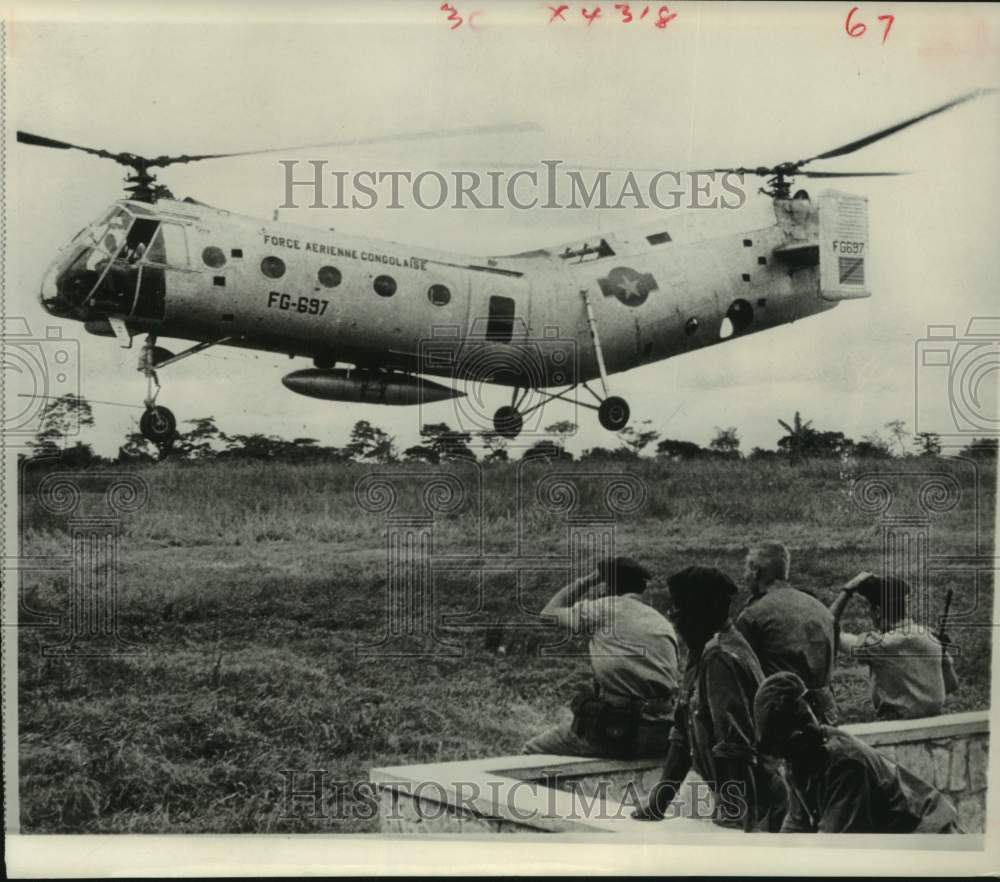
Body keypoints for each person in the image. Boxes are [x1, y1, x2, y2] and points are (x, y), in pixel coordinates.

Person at [633, 566, 786, 831]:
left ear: (697, 614)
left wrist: (734, 818)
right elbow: (682, 734)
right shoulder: (701, 651)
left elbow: (735, 747)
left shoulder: (721, 657)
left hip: (757, 805)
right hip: (741, 801)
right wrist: (658, 804)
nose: (672, 618)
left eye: (677, 610)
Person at [754, 671, 961, 833]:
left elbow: (835, 848)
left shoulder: (844, 764)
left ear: (813, 709)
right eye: (786, 742)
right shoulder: (798, 760)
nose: (800, 735)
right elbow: (796, 826)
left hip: (930, 838)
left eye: (804, 722)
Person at [522, 556, 680, 759]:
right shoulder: (660, 620)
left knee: (533, 751)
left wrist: (588, 580)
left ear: (607, 585)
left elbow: (548, 614)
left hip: (619, 734)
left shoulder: (603, 608)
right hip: (661, 733)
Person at [830, 573, 958, 720]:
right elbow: (952, 685)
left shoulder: (879, 645)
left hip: (895, 726)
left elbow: (828, 630)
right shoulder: (931, 637)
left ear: (878, 612)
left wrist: (847, 591)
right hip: (935, 726)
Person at [736, 541, 839, 723]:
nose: (744, 576)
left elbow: (741, 678)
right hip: (826, 715)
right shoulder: (821, 609)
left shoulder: (754, 615)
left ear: (755, 571)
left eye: (746, 569)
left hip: (783, 719)